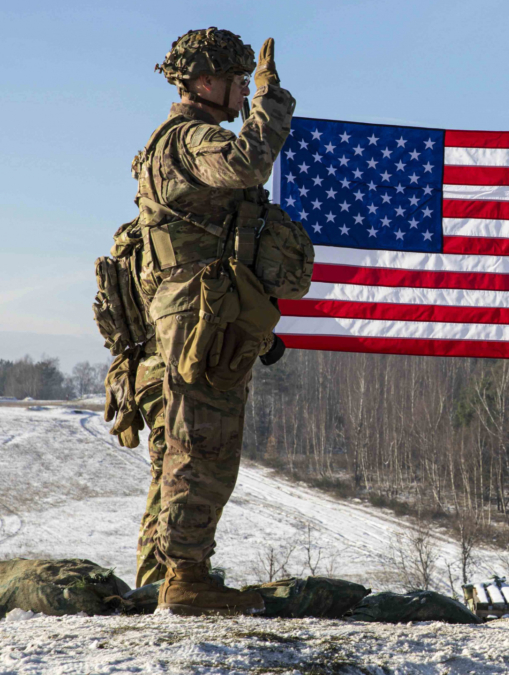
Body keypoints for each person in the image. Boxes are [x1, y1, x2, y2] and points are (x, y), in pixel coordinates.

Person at [131, 27, 296, 615]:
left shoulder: (167, 143)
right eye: (235, 79)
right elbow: (247, 162)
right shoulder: (191, 139)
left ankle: (169, 574)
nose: (240, 90)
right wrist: (270, 103)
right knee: (205, 446)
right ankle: (187, 579)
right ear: (206, 81)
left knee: (184, 445)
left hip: (200, 314)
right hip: (199, 317)